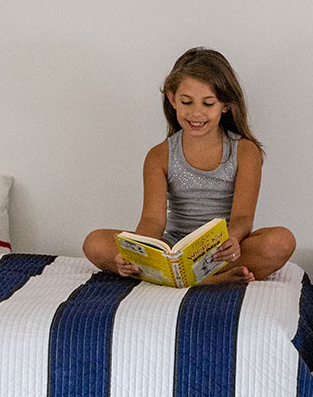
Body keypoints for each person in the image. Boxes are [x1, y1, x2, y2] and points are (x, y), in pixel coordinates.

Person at [83, 47, 295, 284]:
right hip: (173, 247)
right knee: (95, 242)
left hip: (221, 251)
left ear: (225, 105)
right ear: (173, 99)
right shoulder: (159, 156)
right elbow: (152, 221)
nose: (196, 113)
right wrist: (137, 252)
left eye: (208, 103)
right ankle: (207, 280)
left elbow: (243, 217)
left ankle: (188, 279)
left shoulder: (245, 151)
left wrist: (233, 240)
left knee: (281, 241)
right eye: (187, 101)